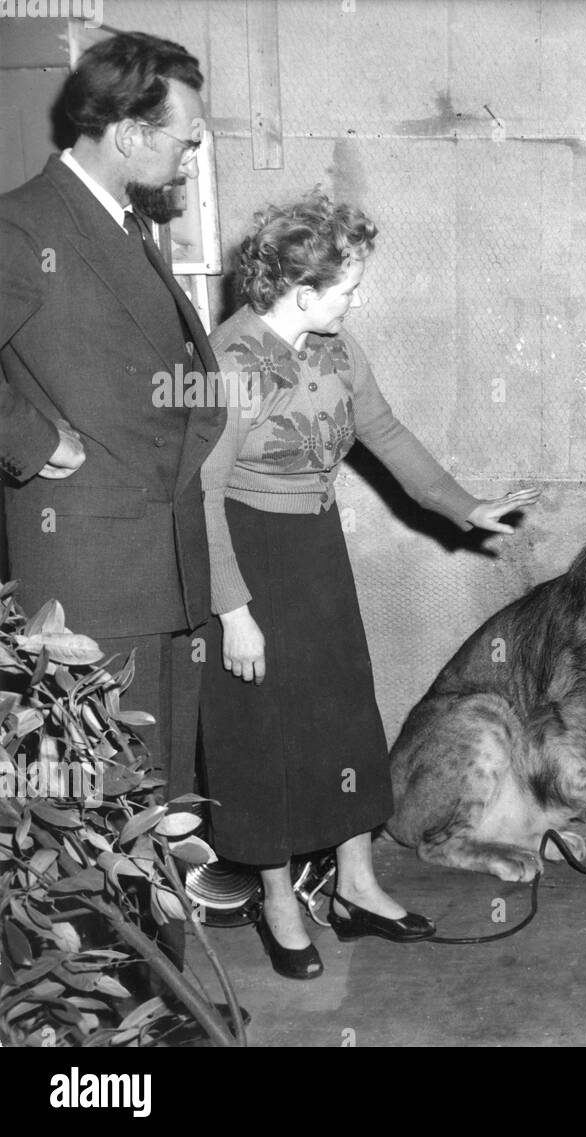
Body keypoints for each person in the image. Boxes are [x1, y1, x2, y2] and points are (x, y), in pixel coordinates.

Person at [200, 191, 540, 979]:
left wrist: (466, 504)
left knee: (347, 710)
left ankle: (356, 886)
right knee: (264, 730)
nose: (358, 298)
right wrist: (233, 611)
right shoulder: (228, 362)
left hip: (316, 548)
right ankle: (281, 902)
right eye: (348, 286)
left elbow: (385, 433)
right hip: (248, 553)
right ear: (302, 290)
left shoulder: (336, 348)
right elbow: (203, 495)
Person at [0, 32, 221, 976]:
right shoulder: (23, 225)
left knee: (154, 803)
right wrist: (30, 439)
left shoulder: (127, 223)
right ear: (129, 132)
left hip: (161, 562)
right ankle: (91, 1025)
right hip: (88, 571)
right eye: (185, 134)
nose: (195, 150)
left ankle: (159, 992)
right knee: (87, 815)